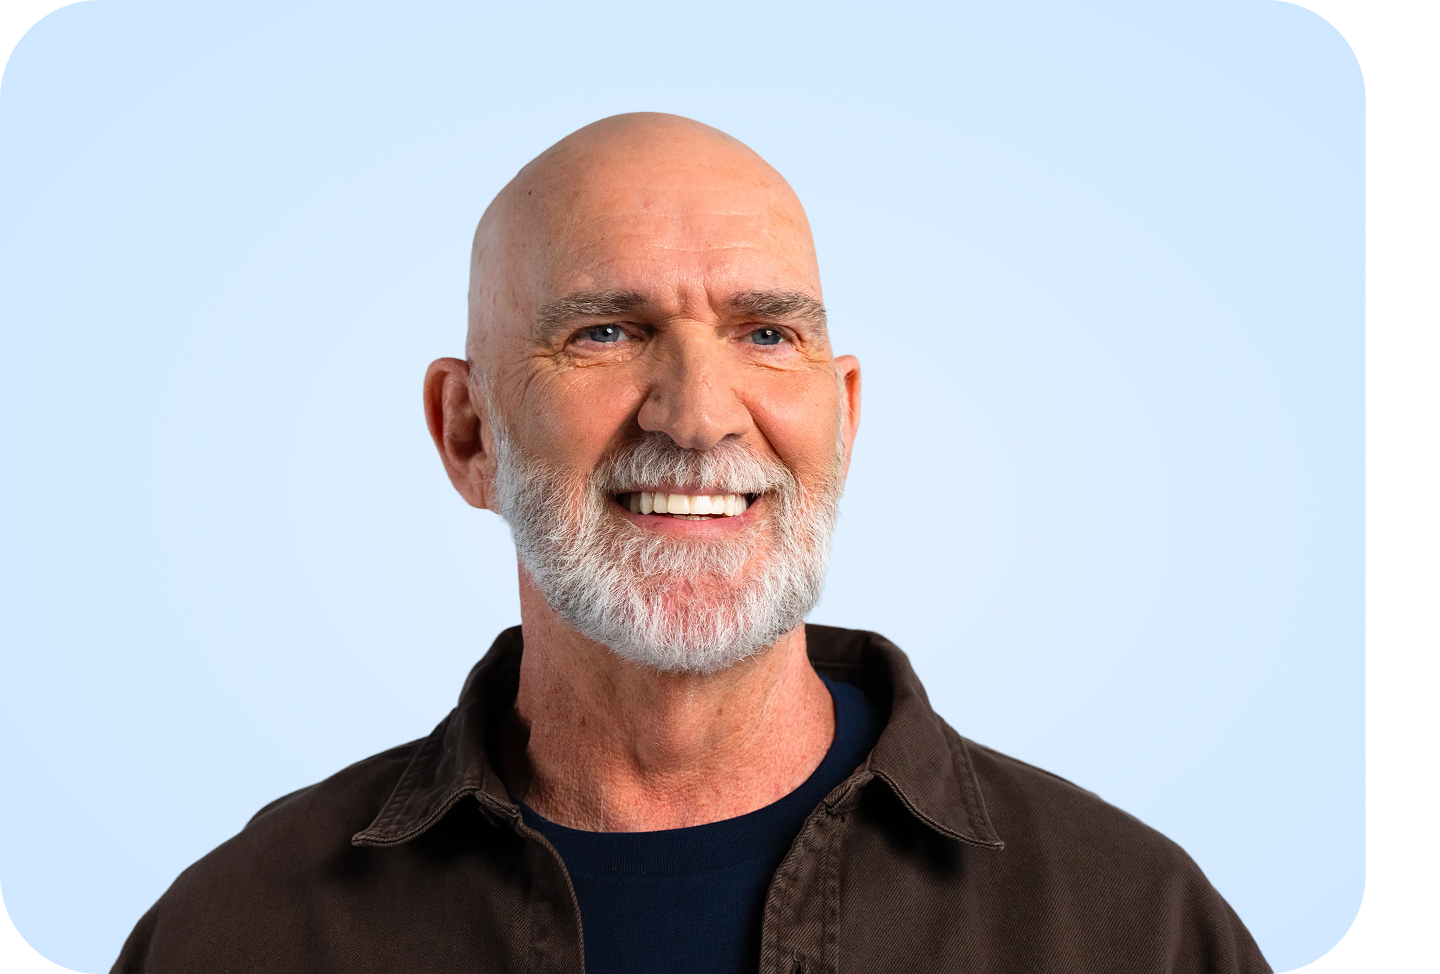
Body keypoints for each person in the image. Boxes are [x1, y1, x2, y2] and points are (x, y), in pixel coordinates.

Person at [113, 113, 1270, 974]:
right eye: (606, 331)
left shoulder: (1134, 927)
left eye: (766, 334)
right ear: (469, 432)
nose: (700, 415)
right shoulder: (238, 934)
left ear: (844, 416)